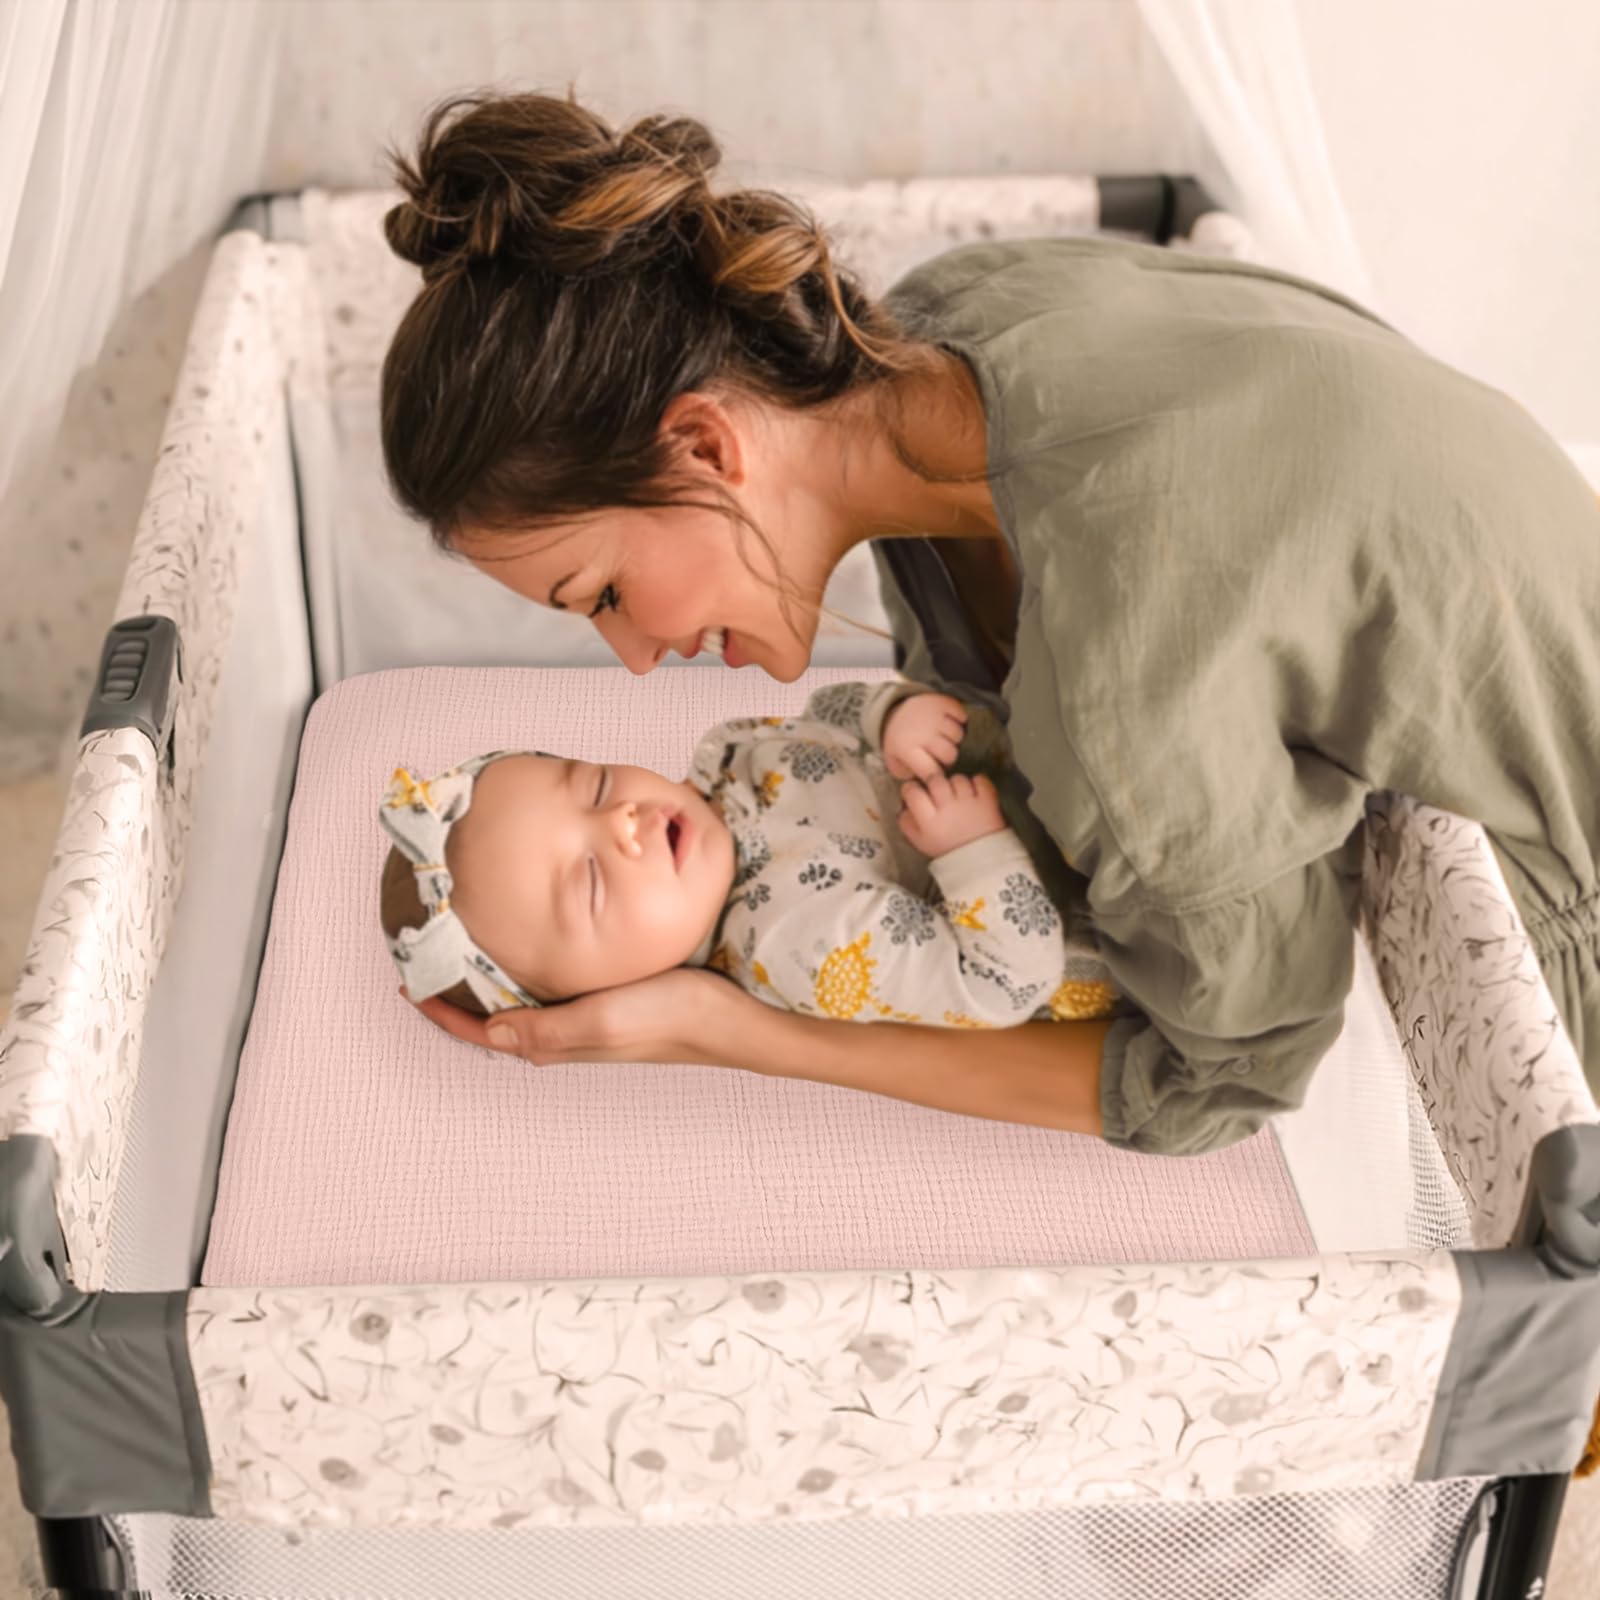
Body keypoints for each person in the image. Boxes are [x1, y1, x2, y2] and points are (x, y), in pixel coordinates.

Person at [375, 89, 1600, 1156]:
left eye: (601, 593)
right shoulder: (963, 306)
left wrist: (732, 1031)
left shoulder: (1124, 697)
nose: (636, 661)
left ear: (703, 447)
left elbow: (1223, 1080)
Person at [376, 677, 1122, 1028]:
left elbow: (825, 715)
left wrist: (890, 715)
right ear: (603, 992)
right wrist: (973, 852)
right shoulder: (796, 948)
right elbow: (1004, 984)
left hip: (1053, 748)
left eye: (595, 784)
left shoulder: (727, 757)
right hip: (1097, 894)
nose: (623, 822)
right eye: (593, 882)